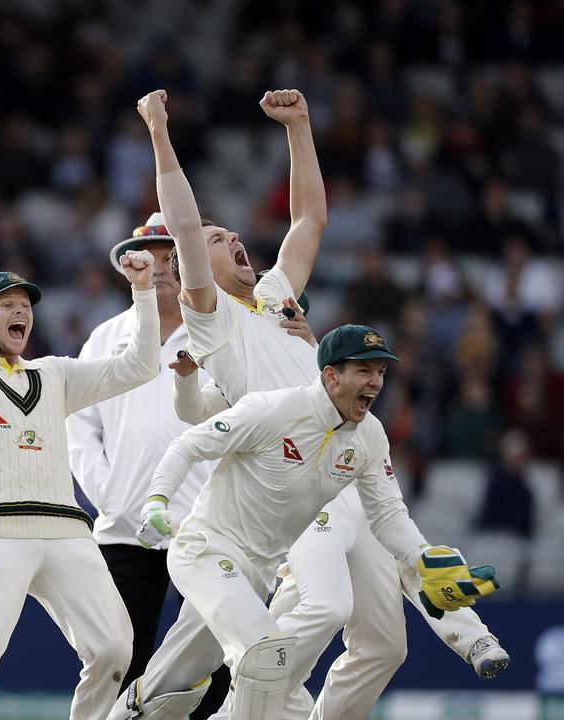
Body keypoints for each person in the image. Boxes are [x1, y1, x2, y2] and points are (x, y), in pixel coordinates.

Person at [132, 87, 506, 719]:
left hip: (346, 451)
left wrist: (300, 128)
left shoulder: (277, 295)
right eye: (221, 239)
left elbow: (308, 221)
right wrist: (160, 132)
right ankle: (249, 699)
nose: (232, 239)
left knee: (385, 646)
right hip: (288, 468)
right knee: (325, 604)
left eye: (231, 234)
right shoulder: (210, 317)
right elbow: (187, 229)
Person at [107, 325, 500, 720]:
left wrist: (420, 557)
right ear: (331, 375)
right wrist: (156, 503)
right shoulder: (275, 409)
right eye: (365, 371)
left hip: (257, 574)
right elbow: (188, 445)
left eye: (381, 372)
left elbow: (388, 515)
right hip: (206, 550)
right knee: (267, 654)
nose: (376, 383)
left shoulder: (369, 436)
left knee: (172, 681)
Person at [0, 230, 161, 720]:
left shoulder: (54, 374)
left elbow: (141, 365)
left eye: (26, 305)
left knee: (115, 650)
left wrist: (144, 292)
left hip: (65, 530)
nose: (21, 312)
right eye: (6, 304)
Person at [66, 216, 232, 719]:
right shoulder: (106, 336)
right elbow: (79, 427)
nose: (160, 268)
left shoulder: (218, 334)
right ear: (129, 267)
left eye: (170, 257)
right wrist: (111, 495)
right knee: (116, 657)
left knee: (212, 660)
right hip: (124, 529)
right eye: (150, 257)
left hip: (203, 524)